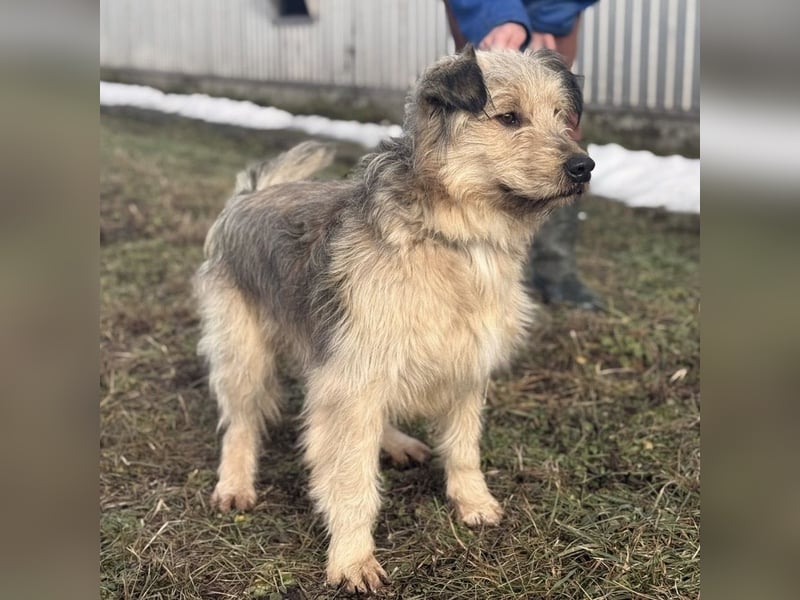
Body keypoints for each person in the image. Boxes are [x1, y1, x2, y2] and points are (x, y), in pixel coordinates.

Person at [444, 0, 602, 310]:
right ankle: (455, 272)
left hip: (559, 10)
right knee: (469, 115)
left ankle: (554, 270)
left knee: (561, 118)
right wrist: (497, 15)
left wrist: (549, 17)